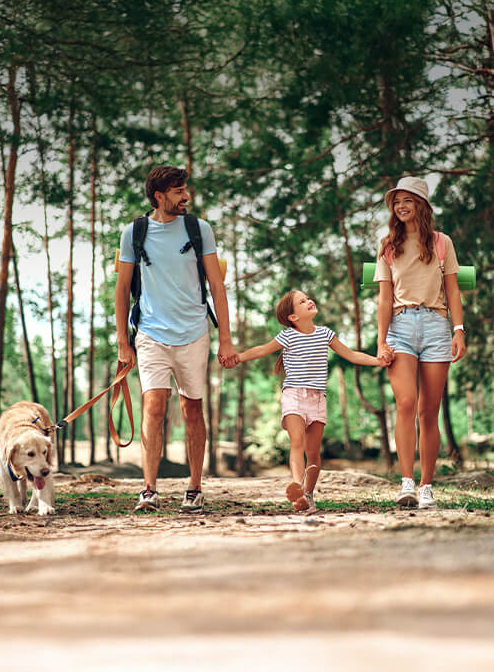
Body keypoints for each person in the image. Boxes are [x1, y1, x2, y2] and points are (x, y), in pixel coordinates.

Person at [115, 165, 237, 513]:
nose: (187, 197)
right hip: (151, 333)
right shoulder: (134, 233)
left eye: (186, 189)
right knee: (153, 406)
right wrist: (123, 340)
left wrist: (225, 338)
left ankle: (194, 488)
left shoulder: (199, 230)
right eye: (179, 191)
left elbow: (216, 285)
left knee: (192, 408)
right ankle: (149, 490)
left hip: (194, 332)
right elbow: (122, 289)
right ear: (159, 196)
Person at [235, 290, 380, 512]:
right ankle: (298, 488)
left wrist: (378, 361)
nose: (309, 301)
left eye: (308, 298)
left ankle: (308, 495)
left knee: (313, 452)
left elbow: (351, 355)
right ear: (293, 317)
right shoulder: (288, 336)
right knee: (297, 443)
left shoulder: (325, 334)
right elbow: (262, 350)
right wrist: (238, 357)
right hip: (293, 395)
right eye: (302, 302)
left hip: (317, 399)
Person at [374, 176, 466, 509]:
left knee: (429, 411)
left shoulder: (442, 243)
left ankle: (427, 485)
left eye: (407, 200)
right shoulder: (388, 245)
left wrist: (458, 329)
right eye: (396, 201)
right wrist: (381, 341)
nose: (400, 206)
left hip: (436, 327)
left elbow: (453, 290)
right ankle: (407, 483)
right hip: (400, 327)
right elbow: (384, 300)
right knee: (406, 403)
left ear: (421, 205)